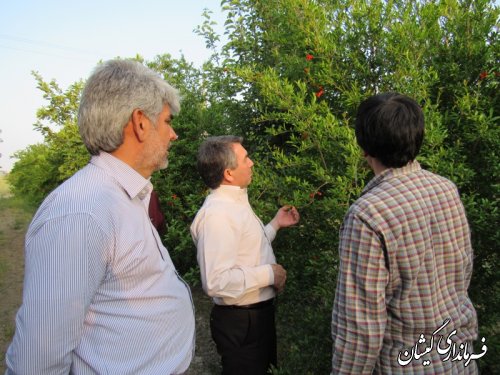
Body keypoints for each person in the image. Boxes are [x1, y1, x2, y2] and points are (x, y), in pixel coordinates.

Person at [5, 59, 195, 374]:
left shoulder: (123, 195)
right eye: (166, 120)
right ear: (140, 123)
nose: (173, 134)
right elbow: (36, 362)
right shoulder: (82, 211)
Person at [331, 93, 478, 374]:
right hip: (459, 358)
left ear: (364, 146)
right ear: (417, 136)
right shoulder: (445, 189)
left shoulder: (367, 214)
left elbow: (360, 327)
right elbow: (463, 271)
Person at [190, 135, 300, 374]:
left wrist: (275, 225)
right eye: (245, 158)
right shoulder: (218, 215)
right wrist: (269, 274)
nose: (251, 163)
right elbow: (216, 282)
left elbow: (245, 249)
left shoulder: (234, 203)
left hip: (254, 319)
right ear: (228, 173)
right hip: (242, 323)